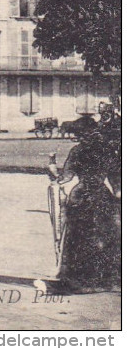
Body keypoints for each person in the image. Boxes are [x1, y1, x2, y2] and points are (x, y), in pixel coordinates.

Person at [46, 119, 121, 293]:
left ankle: (80, 280)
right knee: (107, 236)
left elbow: (64, 177)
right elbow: (116, 181)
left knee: (79, 237)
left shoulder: (78, 151)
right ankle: (108, 280)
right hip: (103, 197)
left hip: (81, 196)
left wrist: (51, 167)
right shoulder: (109, 151)